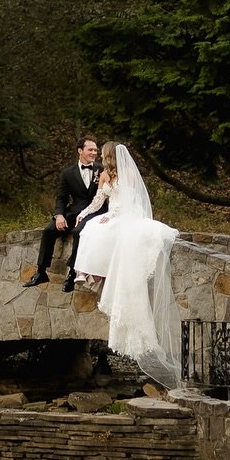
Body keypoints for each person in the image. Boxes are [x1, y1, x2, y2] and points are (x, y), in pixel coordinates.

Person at [74, 142, 181, 385]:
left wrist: (116, 216)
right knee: (90, 229)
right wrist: (84, 213)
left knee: (109, 233)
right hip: (111, 215)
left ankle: (99, 273)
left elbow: (134, 201)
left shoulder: (130, 174)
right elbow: (98, 201)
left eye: (103, 153)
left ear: (109, 155)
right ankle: (87, 273)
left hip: (126, 216)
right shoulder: (104, 175)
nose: (100, 156)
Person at [28, 135, 102, 290]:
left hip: (95, 212)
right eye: (90, 149)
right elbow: (61, 197)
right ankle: (41, 272)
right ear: (80, 150)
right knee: (49, 231)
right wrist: (59, 215)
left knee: (78, 232)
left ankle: (73, 274)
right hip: (74, 211)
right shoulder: (68, 173)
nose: (94, 153)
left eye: (95, 150)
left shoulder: (101, 170)